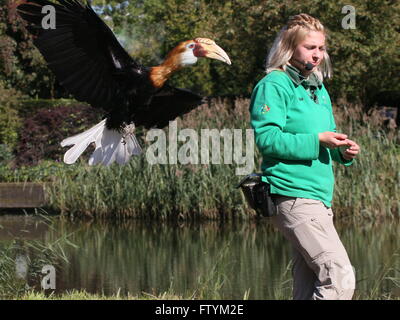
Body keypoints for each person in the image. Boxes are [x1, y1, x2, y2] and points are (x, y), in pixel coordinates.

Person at [249, 13, 360, 300]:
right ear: (289, 47)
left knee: (307, 287)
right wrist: (317, 140)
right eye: (309, 47)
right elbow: (267, 140)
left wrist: (341, 150)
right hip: (293, 195)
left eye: (321, 48)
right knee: (340, 277)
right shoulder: (274, 84)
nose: (317, 55)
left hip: (320, 197)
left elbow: (326, 136)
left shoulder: (318, 88)